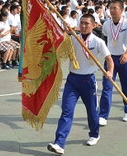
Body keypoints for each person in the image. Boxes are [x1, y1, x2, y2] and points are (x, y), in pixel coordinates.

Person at [47, 14, 114, 154]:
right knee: (67, 111)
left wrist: (110, 72)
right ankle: (59, 143)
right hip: (72, 81)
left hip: (88, 81)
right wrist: (65, 31)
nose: (83, 26)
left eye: (86, 24)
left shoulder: (98, 42)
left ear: (93, 25)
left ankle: (94, 134)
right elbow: (60, 42)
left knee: (92, 111)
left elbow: (109, 59)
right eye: (81, 23)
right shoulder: (73, 39)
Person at [99, 0, 127, 126]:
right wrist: (104, 55)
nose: (112, 10)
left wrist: (126, 54)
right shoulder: (106, 25)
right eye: (111, 8)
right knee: (107, 87)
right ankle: (103, 115)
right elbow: (103, 41)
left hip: (123, 59)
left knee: (126, 87)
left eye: (115, 8)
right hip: (110, 60)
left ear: (121, 10)